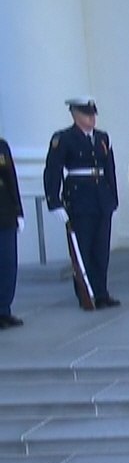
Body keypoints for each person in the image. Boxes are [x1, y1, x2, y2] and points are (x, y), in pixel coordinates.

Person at [44, 97, 120, 309]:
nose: (92, 118)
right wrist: (54, 201)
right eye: (87, 114)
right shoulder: (64, 138)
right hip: (80, 198)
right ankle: (85, 293)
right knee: (82, 249)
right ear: (75, 115)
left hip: (101, 199)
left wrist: (112, 197)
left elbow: (109, 169)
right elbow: (53, 170)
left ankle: (102, 292)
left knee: (100, 249)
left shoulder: (102, 137)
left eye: (93, 114)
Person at [0, 135, 23, 328]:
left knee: (8, 265)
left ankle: (4, 310)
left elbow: (10, 179)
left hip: (4, 213)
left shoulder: (1, 146)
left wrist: (19, 211)